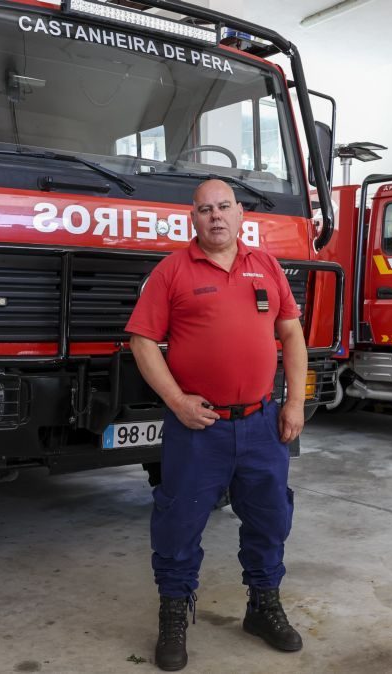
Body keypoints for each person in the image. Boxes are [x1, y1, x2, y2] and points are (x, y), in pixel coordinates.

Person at [125, 179, 307, 671]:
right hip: (197, 429)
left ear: (240, 213)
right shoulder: (172, 271)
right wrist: (177, 400)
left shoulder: (267, 266)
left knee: (270, 520)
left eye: (224, 207)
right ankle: (174, 616)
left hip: (261, 424)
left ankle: (262, 607)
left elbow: (291, 333)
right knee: (179, 524)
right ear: (194, 219)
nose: (216, 216)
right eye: (205, 210)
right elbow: (142, 340)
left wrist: (294, 403)